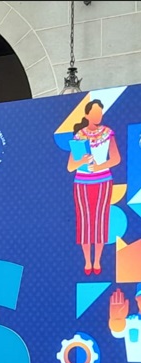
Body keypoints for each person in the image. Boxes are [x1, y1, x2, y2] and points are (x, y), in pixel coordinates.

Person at [67, 99, 121, 276]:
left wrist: (99, 166)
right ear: (87, 114)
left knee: (100, 221)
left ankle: (97, 260)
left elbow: (116, 159)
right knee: (84, 222)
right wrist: (82, 161)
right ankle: (87, 261)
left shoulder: (107, 133)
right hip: (82, 183)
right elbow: (70, 167)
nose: (99, 116)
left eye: (101, 112)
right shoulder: (79, 136)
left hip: (103, 181)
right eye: (95, 112)